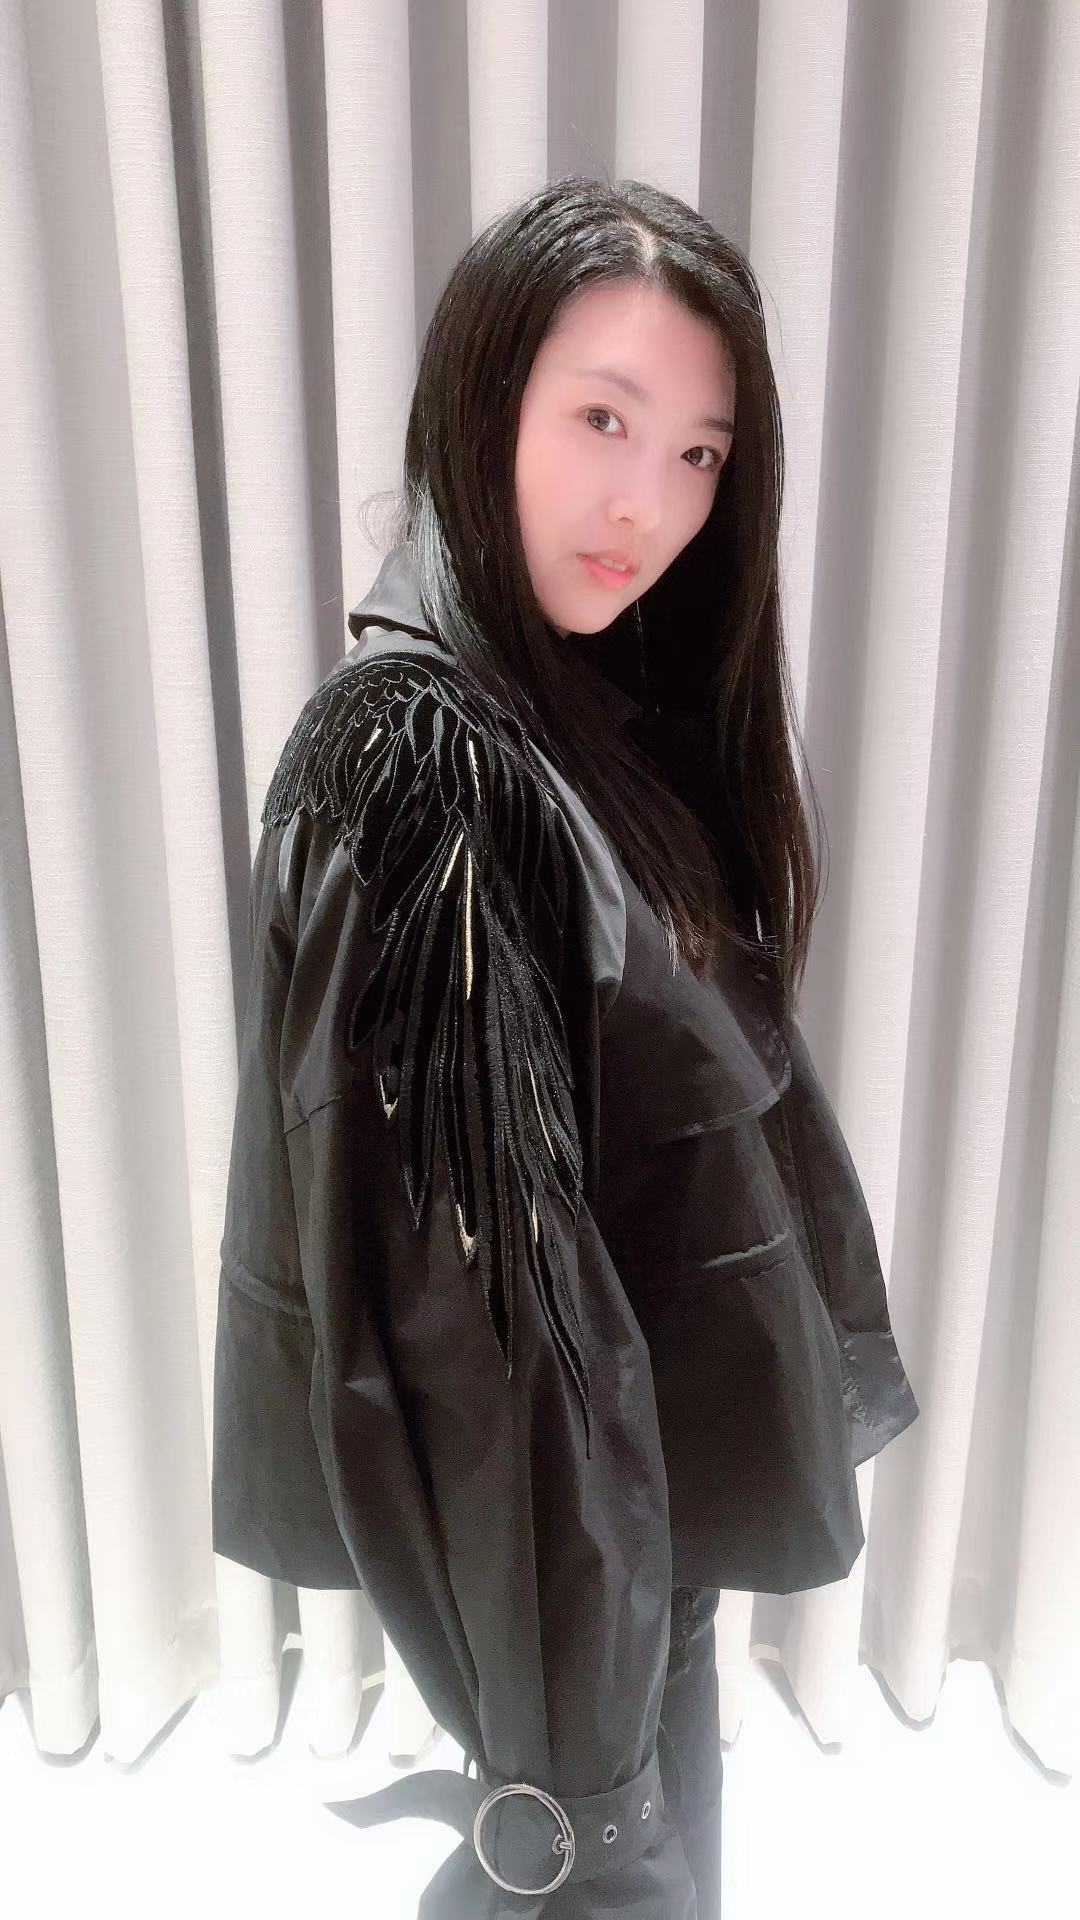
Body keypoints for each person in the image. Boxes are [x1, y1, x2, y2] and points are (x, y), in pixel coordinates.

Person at [210, 175, 920, 1919]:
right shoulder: (431, 779)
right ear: (485, 394)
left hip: (631, 1555)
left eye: (698, 453)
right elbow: (487, 1353)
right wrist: (586, 1806)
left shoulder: (572, 719)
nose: (647, 504)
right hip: (580, 1608)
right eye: (604, 417)